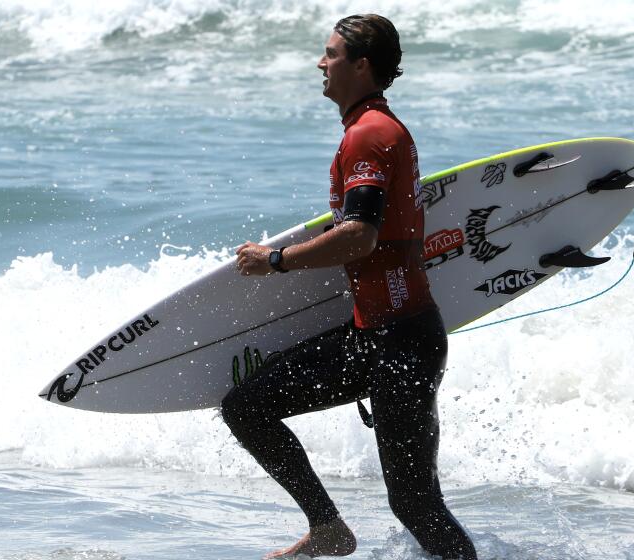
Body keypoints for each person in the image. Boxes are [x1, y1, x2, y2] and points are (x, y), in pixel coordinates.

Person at [226, 14, 477, 560]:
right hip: (378, 337)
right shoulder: (373, 130)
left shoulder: (370, 136)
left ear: (361, 65)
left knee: (415, 504)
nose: (321, 62)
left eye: (332, 53)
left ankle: (331, 530)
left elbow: (359, 236)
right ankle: (328, 530)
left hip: (400, 344)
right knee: (247, 407)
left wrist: (277, 260)